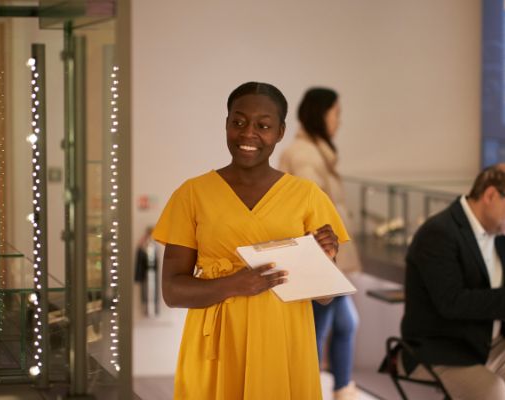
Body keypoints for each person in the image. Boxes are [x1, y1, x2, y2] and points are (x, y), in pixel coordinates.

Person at [153, 81, 350, 399]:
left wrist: (324, 261)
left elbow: (325, 298)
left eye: (263, 125)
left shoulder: (308, 196)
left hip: (282, 344)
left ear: (281, 131)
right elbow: (172, 290)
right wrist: (234, 284)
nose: (248, 134)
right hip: (215, 348)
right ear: (227, 123)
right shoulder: (192, 194)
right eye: (239, 122)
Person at [401, 163, 505, 400]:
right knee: (491, 391)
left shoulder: (501, 232)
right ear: (490, 195)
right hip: (444, 349)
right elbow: (452, 302)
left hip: (493, 344)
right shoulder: (438, 233)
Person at [279, 87, 361, 400]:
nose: (339, 121)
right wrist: (323, 261)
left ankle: (341, 388)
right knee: (316, 332)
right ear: (321, 114)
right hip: (317, 262)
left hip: (323, 260)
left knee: (344, 324)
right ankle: (310, 390)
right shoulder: (306, 156)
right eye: (336, 113)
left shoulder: (312, 153)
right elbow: (312, 215)